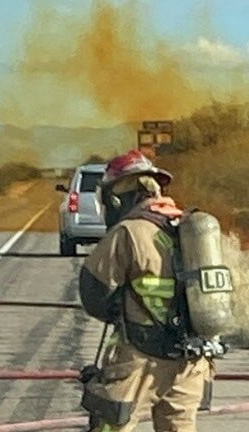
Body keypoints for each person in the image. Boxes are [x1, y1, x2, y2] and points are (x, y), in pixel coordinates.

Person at [77, 149, 214, 432]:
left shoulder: (129, 232)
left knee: (111, 427)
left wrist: (123, 307)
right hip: (190, 362)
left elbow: (93, 295)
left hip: (139, 359)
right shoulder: (189, 229)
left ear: (115, 198)